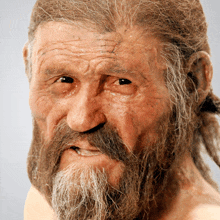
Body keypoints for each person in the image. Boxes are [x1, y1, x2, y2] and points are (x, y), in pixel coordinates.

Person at [23, 0, 220, 219]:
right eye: (64, 79)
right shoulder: (47, 205)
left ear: (192, 81)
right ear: (29, 67)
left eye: (121, 82)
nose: (81, 120)